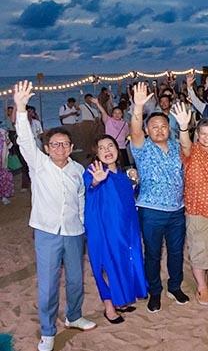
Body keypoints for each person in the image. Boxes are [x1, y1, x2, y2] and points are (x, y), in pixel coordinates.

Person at [13, 81, 96, 351]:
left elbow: (82, 200)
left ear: (71, 147)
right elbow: (24, 139)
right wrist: (21, 107)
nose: (60, 148)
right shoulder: (39, 166)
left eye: (65, 144)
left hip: (74, 232)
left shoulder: (77, 171)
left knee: (75, 279)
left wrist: (83, 226)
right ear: (47, 147)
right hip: (47, 232)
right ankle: (48, 332)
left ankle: (74, 315)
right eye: (55, 144)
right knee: (48, 285)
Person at [129, 82, 189, 313]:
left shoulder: (176, 145)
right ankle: (155, 291)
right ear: (147, 131)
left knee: (176, 252)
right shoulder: (142, 148)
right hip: (151, 211)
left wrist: (183, 127)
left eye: (163, 126)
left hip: (177, 210)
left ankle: (175, 287)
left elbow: (188, 148)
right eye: (154, 127)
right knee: (153, 254)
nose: (159, 130)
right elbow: (134, 128)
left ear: (169, 128)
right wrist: (138, 107)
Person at [172, 102, 208, 306]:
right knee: (199, 251)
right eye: (203, 133)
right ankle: (201, 288)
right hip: (198, 211)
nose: (207, 137)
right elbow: (185, 144)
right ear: (197, 133)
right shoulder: (192, 152)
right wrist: (182, 127)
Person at [83, 135, 147, 324]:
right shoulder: (93, 171)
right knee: (105, 265)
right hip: (103, 230)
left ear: (117, 150)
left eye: (110, 145)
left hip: (125, 229)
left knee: (125, 261)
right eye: (101, 148)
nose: (107, 150)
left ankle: (121, 300)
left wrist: (135, 183)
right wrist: (96, 181)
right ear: (96, 153)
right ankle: (109, 307)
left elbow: (128, 199)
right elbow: (90, 187)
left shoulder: (122, 174)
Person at [90, 98, 130, 167]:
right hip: (110, 148)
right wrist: (97, 103)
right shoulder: (108, 121)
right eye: (115, 113)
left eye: (119, 113)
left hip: (122, 148)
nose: (117, 115)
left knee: (125, 167)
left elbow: (127, 134)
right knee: (112, 166)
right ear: (112, 114)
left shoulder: (125, 124)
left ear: (122, 114)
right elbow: (103, 112)